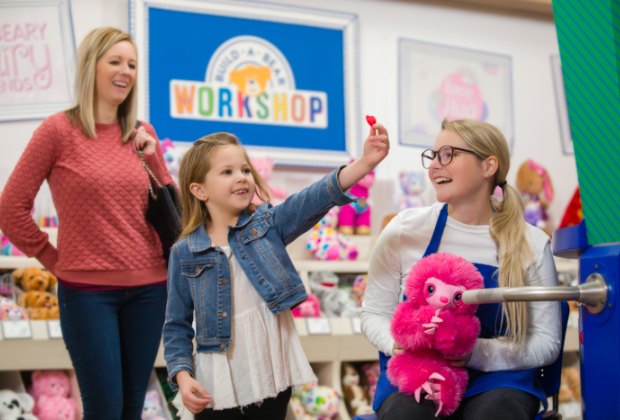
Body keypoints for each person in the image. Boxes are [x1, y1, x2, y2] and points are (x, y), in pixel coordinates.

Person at [0, 27, 173, 419]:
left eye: (131, 64)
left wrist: (156, 159)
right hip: (87, 295)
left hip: (150, 291)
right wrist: (52, 257)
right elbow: (10, 207)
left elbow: (173, 211)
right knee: (104, 410)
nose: (125, 71)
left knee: (132, 409)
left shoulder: (142, 132)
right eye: (115, 61)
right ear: (90, 67)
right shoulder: (58, 131)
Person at [163, 125, 389, 419]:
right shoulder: (185, 252)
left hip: (271, 372)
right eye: (227, 172)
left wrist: (364, 164)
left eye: (244, 169)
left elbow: (314, 198)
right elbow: (176, 325)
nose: (242, 177)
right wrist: (182, 375)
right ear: (199, 190)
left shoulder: (266, 225)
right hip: (218, 382)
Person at [361, 119, 562, 420]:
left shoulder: (531, 243)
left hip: (500, 379)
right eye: (433, 155)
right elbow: (374, 313)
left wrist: (474, 353)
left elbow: (546, 343)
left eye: (448, 154)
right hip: (420, 372)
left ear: (488, 166)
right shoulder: (405, 230)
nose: (434, 167)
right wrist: (396, 343)